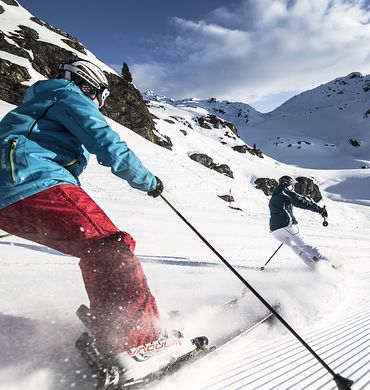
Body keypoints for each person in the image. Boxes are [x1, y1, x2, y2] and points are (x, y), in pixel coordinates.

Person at [0, 58, 165, 357]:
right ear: (89, 85)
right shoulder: (67, 94)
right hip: (34, 180)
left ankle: (115, 321)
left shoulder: (35, 108)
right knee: (111, 248)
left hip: (10, 199)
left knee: (96, 250)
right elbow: (106, 142)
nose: (99, 104)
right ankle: (135, 340)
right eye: (101, 96)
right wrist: (147, 181)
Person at [268, 176, 329, 268]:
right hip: (287, 224)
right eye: (292, 186)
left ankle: (314, 268)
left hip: (275, 230)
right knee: (307, 247)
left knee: (296, 247)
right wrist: (320, 210)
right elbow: (300, 202)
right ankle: (329, 265)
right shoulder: (285, 192)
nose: (292, 188)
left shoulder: (274, 197)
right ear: (289, 184)